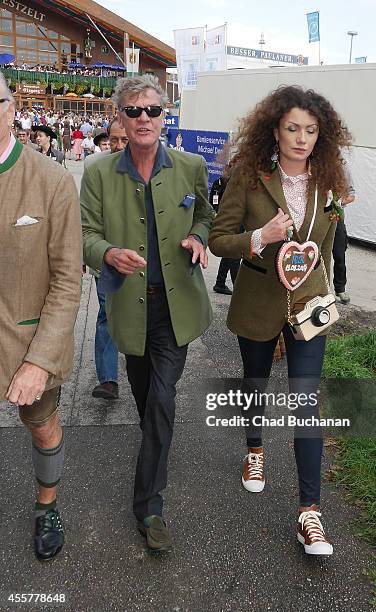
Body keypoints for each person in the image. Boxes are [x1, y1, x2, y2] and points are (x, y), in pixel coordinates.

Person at [209, 85, 352, 556]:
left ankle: (309, 513)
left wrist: (325, 292)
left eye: (311, 131)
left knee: (305, 403)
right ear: (275, 129)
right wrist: (259, 235)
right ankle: (254, 450)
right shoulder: (250, 176)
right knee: (255, 384)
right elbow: (218, 239)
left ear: (321, 136)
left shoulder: (329, 182)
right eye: (292, 128)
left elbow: (327, 247)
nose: (301, 138)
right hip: (256, 301)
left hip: (308, 307)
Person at [80, 74, 213, 552]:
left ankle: (149, 506)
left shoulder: (191, 166)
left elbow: (205, 216)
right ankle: (155, 441)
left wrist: (199, 238)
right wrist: (108, 253)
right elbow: (85, 234)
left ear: (164, 116)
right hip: (130, 309)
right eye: (133, 111)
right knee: (144, 397)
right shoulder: (97, 172)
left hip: (176, 308)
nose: (143, 119)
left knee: (161, 399)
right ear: (120, 117)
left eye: (152, 110)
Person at [0, 72, 81, 561]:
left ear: (12, 108)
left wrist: (40, 361)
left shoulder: (50, 179)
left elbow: (68, 280)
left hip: (26, 342)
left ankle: (47, 505)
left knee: (43, 426)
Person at [84, 119, 129, 400]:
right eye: (114, 140)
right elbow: (86, 220)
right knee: (107, 315)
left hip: (142, 263)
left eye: (124, 140)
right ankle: (108, 379)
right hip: (107, 260)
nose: (119, 146)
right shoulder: (94, 167)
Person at [210, 175, 240, 295]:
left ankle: (220, 283)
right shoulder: (221, 182)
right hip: (230, 222)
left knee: (230, 254)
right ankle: (237, 288)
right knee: (235, 254)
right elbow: (214, 200)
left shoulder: (234, 181)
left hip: (234, 221)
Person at [332, 162, 355, 304]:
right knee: (315, 254)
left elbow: (351, 194)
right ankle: (317, 289)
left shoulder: (342, 165)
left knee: (339, 254)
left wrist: (338, 202)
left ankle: (340, 288)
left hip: (336, 216)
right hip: (317, 217)